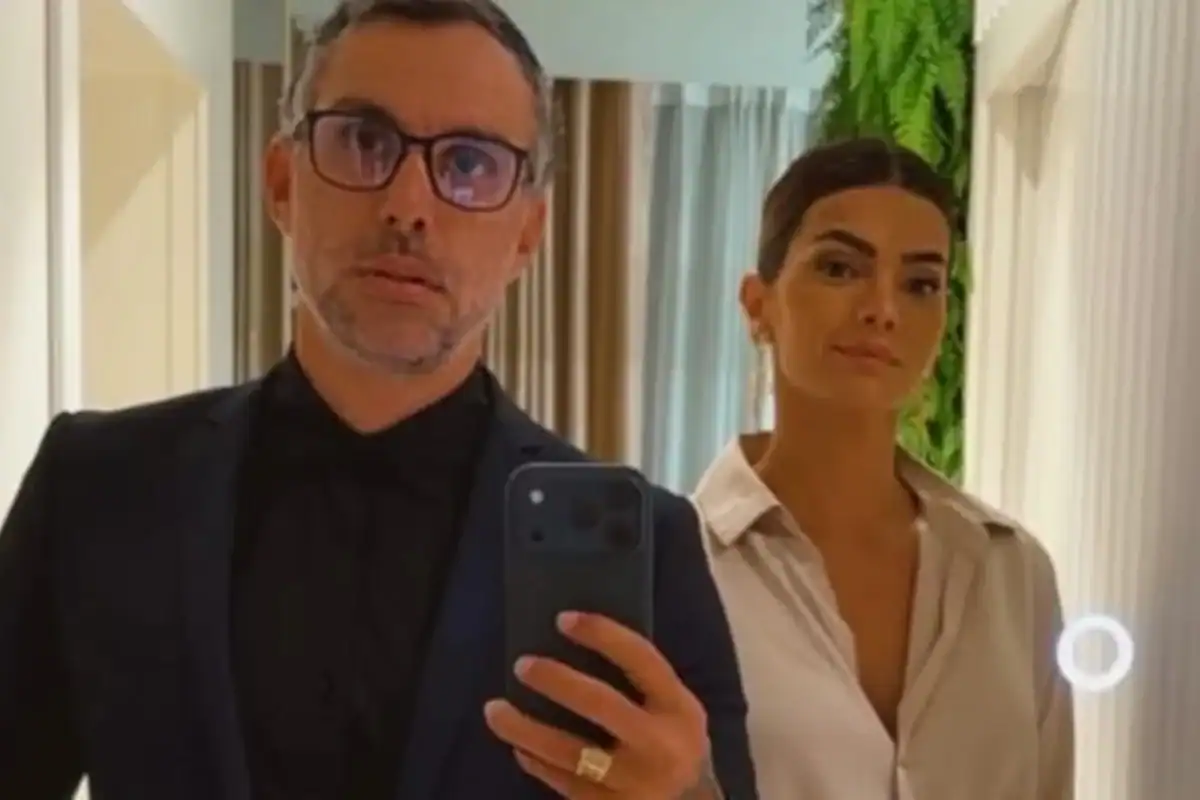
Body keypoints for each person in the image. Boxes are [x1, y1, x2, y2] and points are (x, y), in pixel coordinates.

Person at [0, 2, 757, 798]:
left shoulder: (652, 551)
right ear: (282, 183)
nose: (408, 206)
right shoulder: (99, 487)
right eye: (364, 141)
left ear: (528, 235)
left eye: (469, 163)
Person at [691, 138, 1074, 799]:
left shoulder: (1014, 573)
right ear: (759, 305)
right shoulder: (682, 568)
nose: (883, 310)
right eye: (840, 269)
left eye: (920, 284)